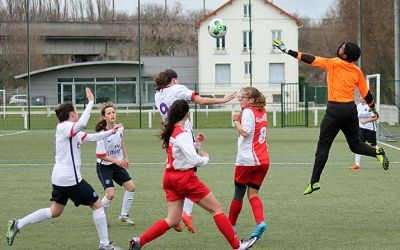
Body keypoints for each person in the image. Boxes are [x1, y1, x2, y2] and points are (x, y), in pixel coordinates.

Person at [128, 99, 257, 250]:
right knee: (217, 209)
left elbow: (181, 152)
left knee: (172, 219)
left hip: (170, 177)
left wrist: (197, 144)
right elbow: (194, 160)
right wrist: (206, 157)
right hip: (183, 178)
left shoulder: (173, 131)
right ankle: (237, 246)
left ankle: (139, 241)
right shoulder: (182, 133)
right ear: (187, 114)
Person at [6, 88, 122, 250]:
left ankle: (18, 224)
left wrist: (111, 132)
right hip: (70, 179)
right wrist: (90, 102)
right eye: (75, 110)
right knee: (97, 205)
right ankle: (105, 245)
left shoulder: (70, 130)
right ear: (72, 114)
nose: (77, 112)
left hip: (59, 178)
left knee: (55, 211)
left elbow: (90, 137)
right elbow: (82, 124)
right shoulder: (65, 127)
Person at [273, 38, 389, 195]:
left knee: (323, 146)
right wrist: (373, 108)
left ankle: (314, 181)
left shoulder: (333, 62)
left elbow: (310, 59)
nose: (340, 47)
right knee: (355, 145)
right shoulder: (357, 71)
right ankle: (377, 153)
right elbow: (366, 94)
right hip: (350, 110)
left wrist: (287, 51)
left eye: (342, 48)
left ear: (346, 55)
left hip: (334, 110)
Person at [154, 69, 236, 233]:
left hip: (170, 136)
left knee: (181, 173)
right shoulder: (178, 89)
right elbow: (201, 101)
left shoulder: (158, 94)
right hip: (181, 135)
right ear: (174, 80)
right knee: (189, 174)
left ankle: (178, 215)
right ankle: (185, 214)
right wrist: (223, 100)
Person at [230, 87, 269, 241]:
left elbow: (245, 132)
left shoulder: (248, 111)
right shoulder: (262, 110)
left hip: (247, 160)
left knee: (238, 195)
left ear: (251, 100)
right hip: (263, 159)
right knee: (253, 194)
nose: (240, 101)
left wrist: (235, 121)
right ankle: (260, 222)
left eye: (243, 98)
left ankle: (231, 226)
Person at [95, 102, 136, 224]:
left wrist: (125, 158)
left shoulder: (119, 128)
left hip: (116, 164)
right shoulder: (101, 134)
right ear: (104, 117)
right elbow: (100, 155)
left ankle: (123, 215)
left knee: (131, 187)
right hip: (104, 166)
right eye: (109, 113)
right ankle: (99, 218)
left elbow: (121, 142)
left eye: (113, 112)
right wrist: (117, 161)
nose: (112, 115)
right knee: (110, 194)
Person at [351, 95, 378, 170]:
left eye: (364, 97)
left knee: (373, 146)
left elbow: (375, 117)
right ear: (359, 98)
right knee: (357, 145)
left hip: (370, 129)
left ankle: (382, 155)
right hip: (361, 129)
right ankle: (357, 164)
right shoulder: (358, 106)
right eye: (361, 97)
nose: (362, 99)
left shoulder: (370, 106)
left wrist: (365, 121)